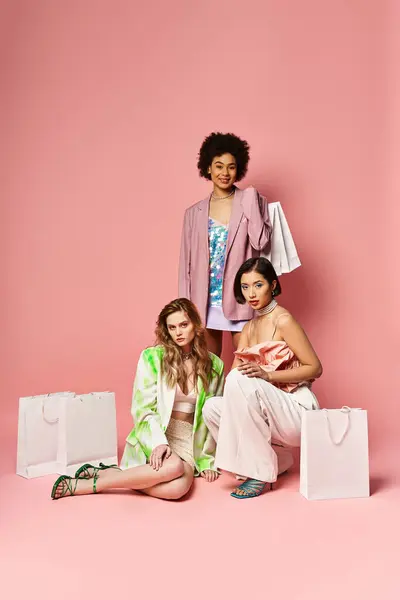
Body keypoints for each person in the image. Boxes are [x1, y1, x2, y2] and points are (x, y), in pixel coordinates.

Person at [51, 299, 224, 500]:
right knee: (173, 466)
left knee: (178, 489)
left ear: (196, 324)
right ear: (166, 331)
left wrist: (206, 460)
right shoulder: (153, 358)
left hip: (189, 441)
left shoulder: (214, 365)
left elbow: (212, 415)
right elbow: (142, 409)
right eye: (172, 327)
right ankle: (90, 486)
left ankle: (112, 474)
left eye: (184, 325)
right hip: (158, 432)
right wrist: (158, 443)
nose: (178, 332)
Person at [202, 258, 322, 499]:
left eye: (258, 285)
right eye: (245, 287)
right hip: (268, 414)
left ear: (273, 285)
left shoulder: (283, 320)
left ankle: (260, 474)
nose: (251, 293)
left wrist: (268, 375)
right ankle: (277, 459)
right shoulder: (248, 328)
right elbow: (235, 378)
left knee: (238, 378)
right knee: (212, 407)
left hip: (296, 410)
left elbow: (315, 368)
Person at [179, 132, 272, 357]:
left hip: (239, 297)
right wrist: (184, 308)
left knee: (247, 363)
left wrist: (251, 202)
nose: (225, 173)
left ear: (238, 170)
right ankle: (213, 395)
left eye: (231, 167)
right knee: (210, 368)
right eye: (219, 166)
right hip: (205, 300)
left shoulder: (251, 201)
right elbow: (185, 266)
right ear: (208, 168)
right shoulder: (193, 213)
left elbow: (261, 242)